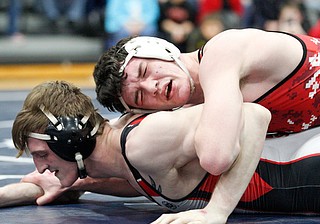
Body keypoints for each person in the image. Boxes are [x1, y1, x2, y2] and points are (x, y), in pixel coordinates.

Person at [7, 80, 272, 224]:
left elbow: (253, 115)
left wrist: (217, 211)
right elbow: (145, 180)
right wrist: (81, 183)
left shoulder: (143, 141)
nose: (40, 168)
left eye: (42, 155)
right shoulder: (116, 157)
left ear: (69, 140)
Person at [93, 28, 320, 183]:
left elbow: (216, 159)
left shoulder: (222, 53)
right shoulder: (196, 107)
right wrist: (82, 180)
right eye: (140, 96)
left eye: (145, 71)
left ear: (158, 49)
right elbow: (153, 173)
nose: (152, 86)